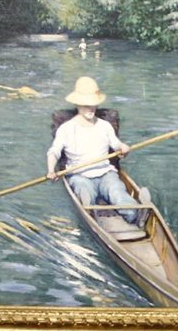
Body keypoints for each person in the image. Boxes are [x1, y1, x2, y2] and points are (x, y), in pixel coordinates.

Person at [46, 76, 146, 227]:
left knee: (118, 192)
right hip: (79, 175)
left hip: (106, 173)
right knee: (83, 191)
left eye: (93, 105)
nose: (91, 109)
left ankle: (137, 213)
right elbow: (54, 152)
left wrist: (123, 147)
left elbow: (116, 144)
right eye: (86, 105)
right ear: (77, 105)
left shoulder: (105, 126)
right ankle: (88, 209)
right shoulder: (66, 129)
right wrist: (50, 170)